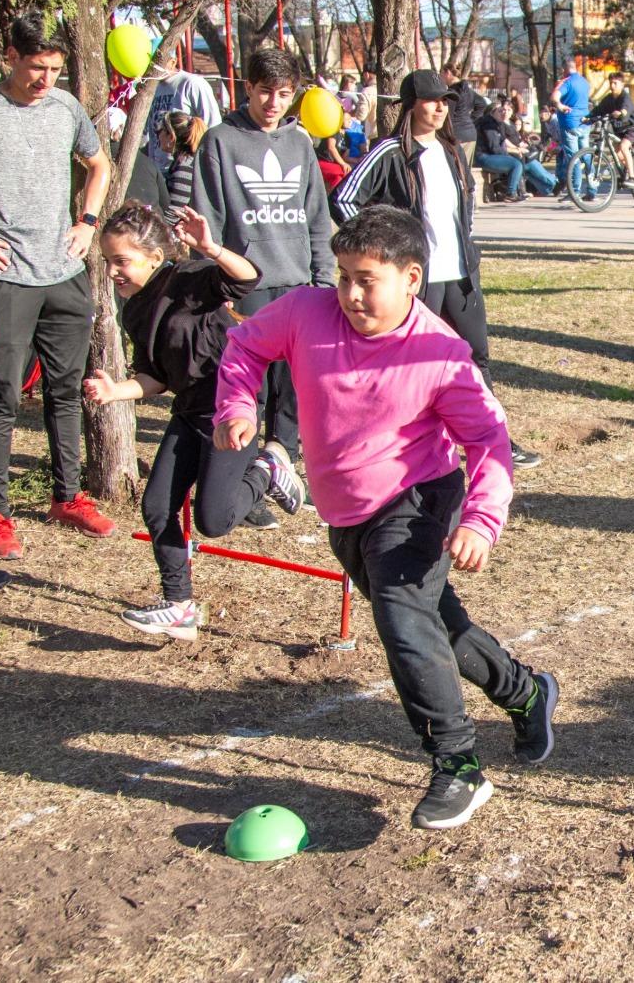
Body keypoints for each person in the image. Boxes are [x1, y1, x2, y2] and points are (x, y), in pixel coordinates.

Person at [213, 205, 560, 830]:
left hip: (418, 500)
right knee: (431, 623)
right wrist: (236, 405)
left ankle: (458, 765)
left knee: (403, 622)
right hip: (346, 510)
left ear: (411, 279)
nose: (349, 293)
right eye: (344, 275)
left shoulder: (441, 354)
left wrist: (481, 521)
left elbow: (490, 441)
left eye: (366, 279)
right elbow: (243, 345)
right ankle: (526, 692)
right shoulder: (303, 311)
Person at [0, 12, 116, 559]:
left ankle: (68, 496)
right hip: (4, 279)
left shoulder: (64, 108)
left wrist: (86, 223)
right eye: (37, 67)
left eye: (56, 70)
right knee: (3, 398)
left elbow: (99, 164)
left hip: (63, 275)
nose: (46, 80)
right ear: (10, 56)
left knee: (66, 392)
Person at [83, 202, 304, 635]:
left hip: (231, 408)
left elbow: (247, 278)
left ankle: (269, 469)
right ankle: (178, 604)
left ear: (153, 256)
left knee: (214, 520)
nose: (113, 272)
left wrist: (210, 248)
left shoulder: (186, 280)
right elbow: (155, 378)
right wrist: (115, 391)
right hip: (188, 410)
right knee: (156, 507)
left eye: (121, 262)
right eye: (108, 262)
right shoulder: (133, 310)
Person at [331, 70, 544, 470]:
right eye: (432, 100)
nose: (440, 108)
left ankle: (495, 439)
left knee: (475, 356)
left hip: (460, 276)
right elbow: (343, 199)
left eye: (445, 101)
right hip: (416, 281)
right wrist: (380, 254)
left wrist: (470, 248)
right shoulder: (390, 151)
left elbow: (465, 212)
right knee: (410, 362)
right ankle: (397, 446)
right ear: (411, 104)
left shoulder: (451, 152)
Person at [191, 47, 335, 526]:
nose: (274, 102)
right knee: (244, 391)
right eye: (265, 91)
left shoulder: (300, 143)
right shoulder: (220, 142)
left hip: (298, 282)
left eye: (284, 93)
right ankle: (244, 484)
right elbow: (208, 220)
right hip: (245, 284)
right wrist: (219, 285)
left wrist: (322, 278)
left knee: (293, 389)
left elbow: (317, 217)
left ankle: (282, 466)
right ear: (246, 88)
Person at [143, 45, 221, 171]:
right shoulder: (153, 89)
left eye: (157, 63)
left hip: (186, 168)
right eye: (150, 63)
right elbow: (152, 134)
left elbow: (213, 124)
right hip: (159, 170)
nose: (153, 68)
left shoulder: (192, 83)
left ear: (173, 61)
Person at [474, 99, 557, 201]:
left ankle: (550, 186)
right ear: (492, 112)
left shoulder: (497, 123)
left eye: (506, 110)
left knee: (523, 163)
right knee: (516, 164)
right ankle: (511, 193)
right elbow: (494, 147)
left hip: (492, 155)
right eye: (500, 111)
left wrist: (517, 149)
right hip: (484, 157)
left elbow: (503, 141)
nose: (504, 113)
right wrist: (512, 152)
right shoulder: (489, 124)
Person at [588, 72, 634, 183]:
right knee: (618, 153)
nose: (612, 85)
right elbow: (598, 109)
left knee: (624, 146)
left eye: (615, 83)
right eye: (611, 83)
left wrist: (621, 113)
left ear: (622, 84)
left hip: (633, 127)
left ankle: (632, 177)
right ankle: (630, 170)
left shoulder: (625, 97)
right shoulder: (609, 99)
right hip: (620, 130)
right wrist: (587, 117)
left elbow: (625, 108)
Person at [551, 59, 592, 198]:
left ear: (565, 69)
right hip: (584, 123)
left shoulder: (566, 82)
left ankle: (575, 192)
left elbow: (554, 96)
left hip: (570, 124)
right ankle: (592, 189)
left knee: (573, 158)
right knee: (586, 155)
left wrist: (560, 106)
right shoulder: (584, 82)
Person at [160, 112, 207, 220]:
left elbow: (173, 214)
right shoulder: (184, 161)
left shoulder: (183, 167)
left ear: (171, 136)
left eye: (160, 130)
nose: (158, 135)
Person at [442, 60, 487, 167]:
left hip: (457, 135)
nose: (440, 77)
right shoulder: (468, 91)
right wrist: (470, 119)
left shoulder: (452, 94)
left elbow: (448, 116)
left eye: (441, 73)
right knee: (465, 171)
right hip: (470, 134)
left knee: (458, 172)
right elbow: (482, 103)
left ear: (448, 73)